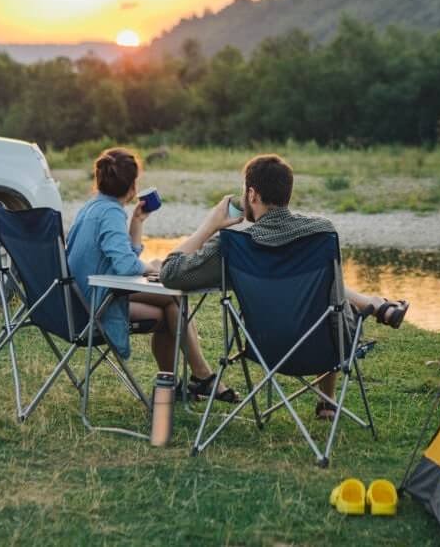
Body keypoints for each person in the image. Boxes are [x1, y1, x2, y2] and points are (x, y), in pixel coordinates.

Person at [160, 153, 408, 420]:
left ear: (252, 195)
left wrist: (208, 227)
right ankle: (328, 399)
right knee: (333, 299)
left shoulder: (234, 246)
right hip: (326, 348)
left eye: (245, 192)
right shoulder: (321, 232)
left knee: (332, 294)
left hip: (265, 348)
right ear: (287, 193)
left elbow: (170, 273)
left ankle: (374, 304)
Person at [66, 147, 237, 402]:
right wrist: (152, 268)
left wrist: (137, 223)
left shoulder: (93, 208)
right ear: (133, 186)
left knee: (169, 309)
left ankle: (175, 385)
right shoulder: (110, 213)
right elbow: (126, 267)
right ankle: (201, 377)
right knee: (172, 300)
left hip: (83, 298)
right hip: (97, 305)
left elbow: (122, 257)